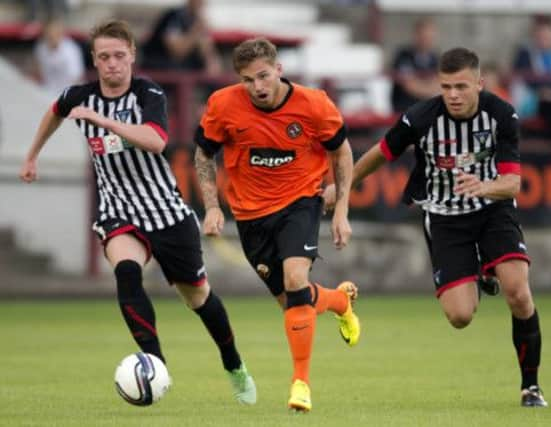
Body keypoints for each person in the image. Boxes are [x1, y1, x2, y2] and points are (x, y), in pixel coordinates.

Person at [19, 20, 256, 405]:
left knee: (197, 297)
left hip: (165, 211)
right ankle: (155, 364)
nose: (112, 64)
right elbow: (54, 110)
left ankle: (234, 364)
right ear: (94, 61)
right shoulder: (79, 96)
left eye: (118, 55)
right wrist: (32, 156)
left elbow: (156, 140)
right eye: (103, 57)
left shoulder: (149, 93)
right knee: (127, 273)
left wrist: (102, 121)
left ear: (131, 56)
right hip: (118, 210)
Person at [325, 47, 548, 407]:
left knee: (519, 294)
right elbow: (381, 153)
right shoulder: (421, 118)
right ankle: (479, 270)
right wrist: (342, 186)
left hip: (493, 209)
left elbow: (512, 184)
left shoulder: (502, 114)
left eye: (461, 86)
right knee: (460, 316)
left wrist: (483, 187)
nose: (453, 95)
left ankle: (531, 387)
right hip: (445, 218)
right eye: (446, 87)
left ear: (479, 83)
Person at [193, 37, 360, 413]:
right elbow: (204, 152)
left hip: (300, 202)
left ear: (279, 70)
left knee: (295, 280)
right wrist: (211, 206)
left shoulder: (314, 104)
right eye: (248, 80)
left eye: (264, 76)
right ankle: (338, 300)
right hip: (251, 217)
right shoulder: (223, 104)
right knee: (292, 301)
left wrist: (341, 208)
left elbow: (342, 150)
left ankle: (301, 383)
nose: (258, 87)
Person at [141, 0, 222, 74]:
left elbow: (207, 53)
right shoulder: (174, 16)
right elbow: (177, 52)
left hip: (181, 69)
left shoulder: (196, 20)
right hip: (158, 66)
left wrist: (211, 62)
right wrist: (196, 31)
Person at [390, 17, 440, 112]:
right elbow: (409, 85)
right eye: (424, 37)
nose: (427, 40)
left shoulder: (435, 58)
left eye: (430, 37)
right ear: (416, 35)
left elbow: (441, 84)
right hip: (406, 112)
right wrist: (431, 88)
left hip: (427, 113)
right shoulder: (403, 56)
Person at [33, 19, 85, 96]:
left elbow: (77, 78)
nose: (52, 37)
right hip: (48, 91)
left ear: (60, 34)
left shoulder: (71, 50)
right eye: (49, 34)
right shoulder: (41, 48)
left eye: (55, 33)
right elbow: (39, 72)